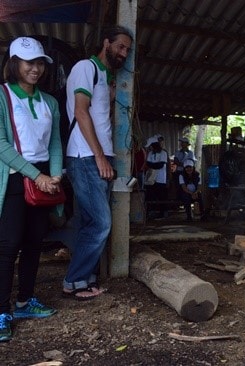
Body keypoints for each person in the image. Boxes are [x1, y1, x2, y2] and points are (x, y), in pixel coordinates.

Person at [63, 26, 133, 300]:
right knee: (102, 222)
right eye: (120, 46)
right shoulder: (85, 67)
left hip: (98, 156)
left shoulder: (103, 76)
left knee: (89, 221)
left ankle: (87, 278)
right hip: (86, 156)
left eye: (127, 50)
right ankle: (74, 280)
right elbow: (81, 113)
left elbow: (97, 112)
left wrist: (112, 94)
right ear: (106, 43)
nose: (124, 53)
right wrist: (100, 156)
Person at [0, 37, 62, 341]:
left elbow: (54, 143)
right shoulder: (1, 96)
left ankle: (24, 302)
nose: (35, 69)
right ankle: (1, 311)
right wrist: (35, 176)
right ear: (14, 63)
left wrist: (54, 176)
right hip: (13, 178)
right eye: (29, 63)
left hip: (43, 180)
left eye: (39, 63)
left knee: (34, 242)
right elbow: (0, 145)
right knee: (8, 245)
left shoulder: (49, 101)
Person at [144, 136, 169, 219]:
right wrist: (153, 165)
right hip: (151, 178)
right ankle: (150, 212)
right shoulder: (151, 153)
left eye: (151, 146)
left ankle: (162, 213)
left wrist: (152, 165)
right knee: (150, 195)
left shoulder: (163, 153)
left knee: (161, 195)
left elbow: (160, 165)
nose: (150, 148)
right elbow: (148, 164)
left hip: (161, 178)